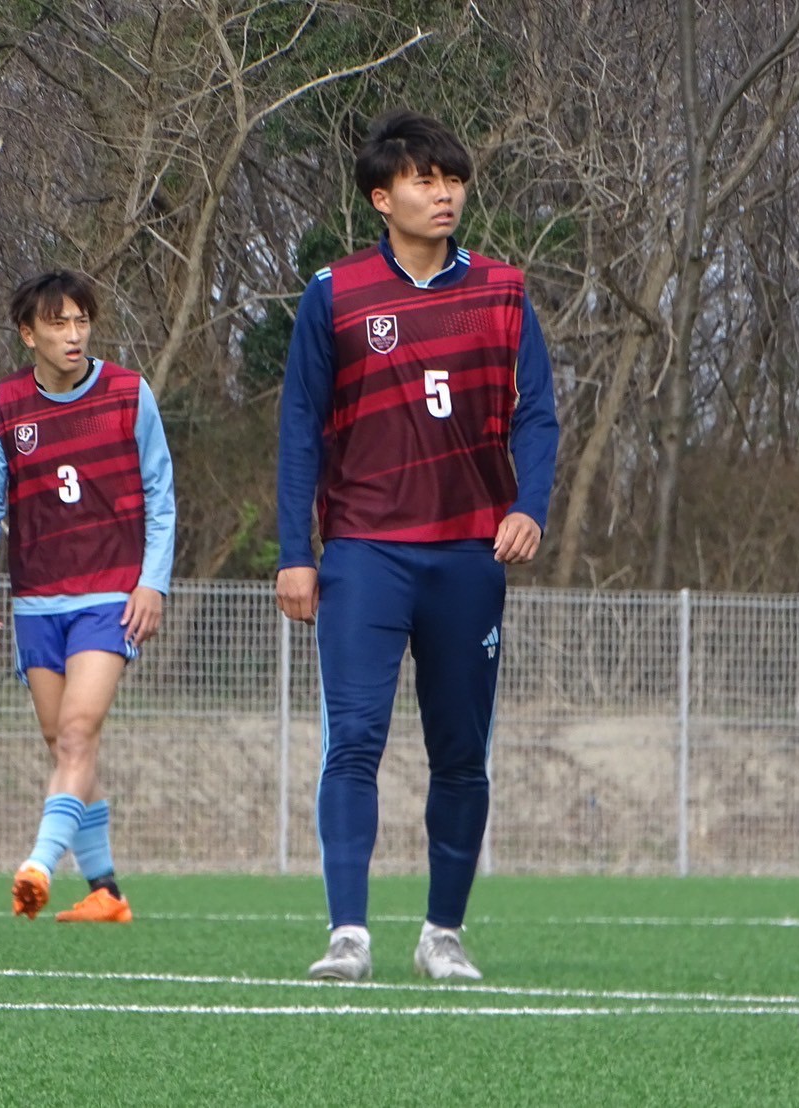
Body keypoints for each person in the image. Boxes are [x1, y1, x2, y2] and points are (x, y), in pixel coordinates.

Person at [276, 110, 558, 982]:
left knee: (460, 752)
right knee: (355, 738)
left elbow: (538, 414)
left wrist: (530, 506)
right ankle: (347, 937)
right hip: (364, 551)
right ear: (380, 197)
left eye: (454, 179)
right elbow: (299, 428)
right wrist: (295, 551)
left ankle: (443, 934)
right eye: (424, 180)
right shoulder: (335, 293)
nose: (444, 194)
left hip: (469, 554)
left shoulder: (502, 291)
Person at [0, 270, 174, 923]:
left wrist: (152, 581)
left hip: (109, 596)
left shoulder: (129, 393)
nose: (73, 334)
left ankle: (39, 862)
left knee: (80, 732)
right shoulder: (3, 403)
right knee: (64, 745)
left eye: (82, 321)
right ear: (29, 334)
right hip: (35, 601)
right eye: (58, 324)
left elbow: (161, 497)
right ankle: (106, 890)